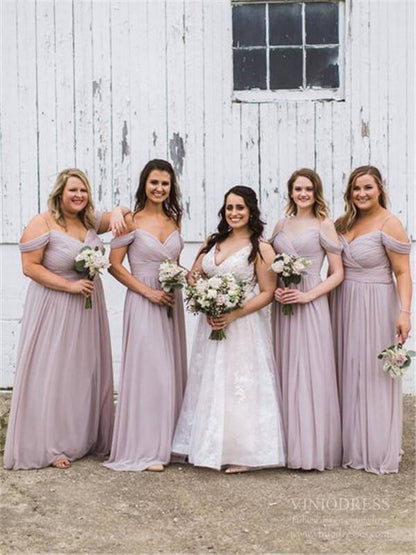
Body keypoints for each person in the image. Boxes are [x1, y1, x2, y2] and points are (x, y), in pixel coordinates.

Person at [4, 168, 127, 470]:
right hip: (54, 306)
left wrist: (120, 211)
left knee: (82, 370)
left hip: (88, 308)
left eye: (83, 190)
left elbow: (123, 214)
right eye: (73, 190)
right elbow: (30, 267)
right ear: (60, 193)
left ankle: (81, 437)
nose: (78, 195)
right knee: (54, 371)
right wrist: (69, 286)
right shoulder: (43, 222)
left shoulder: (89, 221)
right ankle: (52, 443)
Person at [172, 186, 286, 473]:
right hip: (212, 323)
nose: (234, 213)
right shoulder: (213, 241)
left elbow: (267, 292)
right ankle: (205, 444)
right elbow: (194, 275)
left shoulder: (261, 247)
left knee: (239, 385)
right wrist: (204, 296)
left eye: (240, 208)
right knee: (211, 380)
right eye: (229, 208)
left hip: (243, 325)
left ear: (251, 211)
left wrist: (233, 313)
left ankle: (243, 453)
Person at [103, 159, 187, 472]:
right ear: (144, 184)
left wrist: (191, 277)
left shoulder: (175, 219)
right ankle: (146, 449)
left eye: (165, 183)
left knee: (170, 369)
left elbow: (174, 262)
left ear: (171, 187)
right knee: (150, 371)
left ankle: (169, 442)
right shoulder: (131, 220)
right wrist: (147, 292)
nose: (159, 189)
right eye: (154, 183)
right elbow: (114, 265)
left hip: (170, 301)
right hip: (143, 300)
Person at [331, 165, 412, 474]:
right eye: (356, 188)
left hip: (376, 304)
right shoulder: (343, 223)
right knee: (346, 368)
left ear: (380, 189)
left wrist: (405, 312)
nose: (361, 193)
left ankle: (375, 446)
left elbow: (403, 273)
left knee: (372, 372)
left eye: (368, 187)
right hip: (343, 301)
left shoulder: (390, 223)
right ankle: (349, 443)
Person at [271, 169, 343, 471]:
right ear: (291, 192)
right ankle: (285, 446)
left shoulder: (324, 224)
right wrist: (276, 290)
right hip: (283, 305)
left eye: (308, 189)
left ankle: (311, 449)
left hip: (311, 304)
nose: (303, 194)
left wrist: (308, 296)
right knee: (286, 368)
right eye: (298, 189)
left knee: (310, 370)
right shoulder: (281, 225)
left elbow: (337, 273)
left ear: (316, 193)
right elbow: (269, 265)